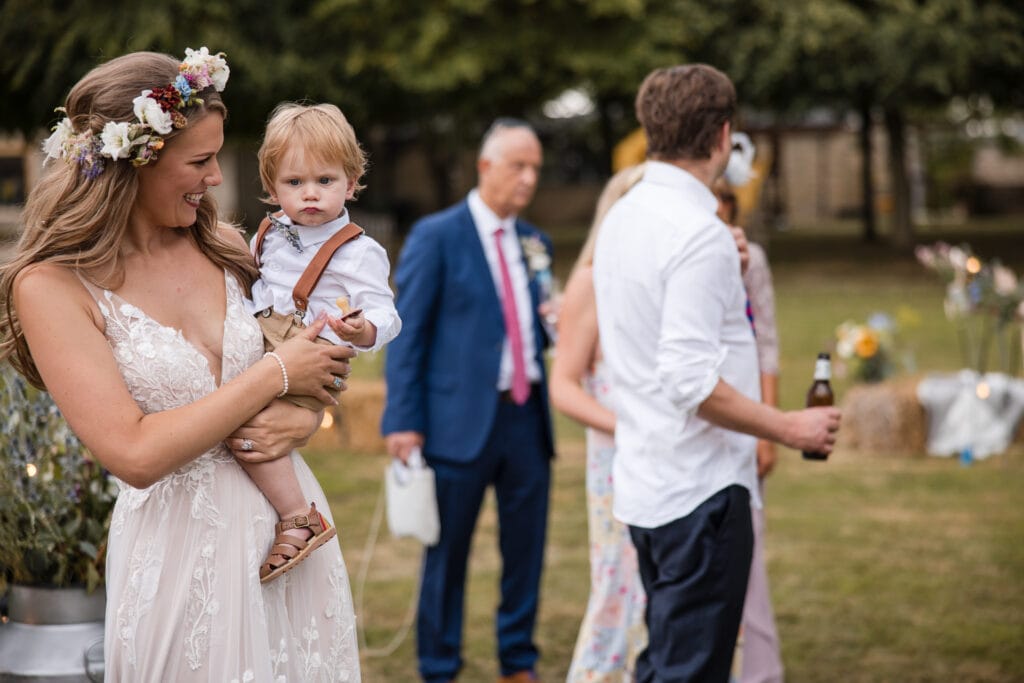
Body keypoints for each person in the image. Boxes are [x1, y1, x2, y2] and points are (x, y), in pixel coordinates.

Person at [0, 48, 362, 681]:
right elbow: (133, 455)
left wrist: (302, 419)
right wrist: (274, 379)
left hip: (294, 538)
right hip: (179, 555)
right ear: (132, 164)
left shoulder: (223, 249)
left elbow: (312, 366)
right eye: (199, 160)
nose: (217, 177)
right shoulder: (51, 287)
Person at [592, 64, 841, 682]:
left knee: (667, 662)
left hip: (647, 481)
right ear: (723, 136)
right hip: (699, 492)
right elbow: (689, 381)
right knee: (689, 671)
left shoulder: (624, 218)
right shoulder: (697, 234)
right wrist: (789, 427)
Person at [381, 118, 556, 683]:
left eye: (535, 169)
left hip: (527, 418)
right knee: (447, 556)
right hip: (457, 421)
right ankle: (439, 666)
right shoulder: (437, 236)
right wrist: (403, 419)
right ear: (485, 166)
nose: (528, 178)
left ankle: (518, 661)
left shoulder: (536, 243)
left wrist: (555, 325)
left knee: (525, 551)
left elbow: (535, 324)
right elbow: (408, 335)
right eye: (518, 166)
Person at [245, 102, 401, 583]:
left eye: (325, 181)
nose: (310, 194)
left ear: (351, 183)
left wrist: (364, 329)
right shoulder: (269, 233)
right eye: (295, 183)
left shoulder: (358, 250)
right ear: (272, 189)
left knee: (251, 428)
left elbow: (386, 311)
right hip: (265, 346)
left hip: (314, 354)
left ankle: (298, 516)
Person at [549, 164, 648, 683]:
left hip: (671, 459)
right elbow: (563, 385)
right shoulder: (591, 280)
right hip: (618, 462)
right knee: (618, 589)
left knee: (663, 596)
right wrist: (630, 428)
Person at [714, 178, 785, 683]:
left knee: (749, 559)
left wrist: (769, 430)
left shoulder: (751, 261)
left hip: (743, 422)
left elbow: (767, 344)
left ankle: (759, 672)